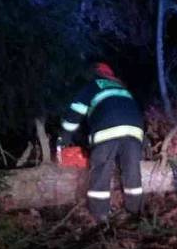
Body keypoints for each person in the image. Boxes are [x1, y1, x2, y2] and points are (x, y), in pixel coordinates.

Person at [59, 62, 144, 222]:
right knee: (132, 171)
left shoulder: (93, 85)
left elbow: (76, 110)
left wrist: (64, 137)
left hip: (107, 129)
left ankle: (100, 215)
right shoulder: (122, 88)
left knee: (102, 170)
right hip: (135, 130)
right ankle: (135, 213)